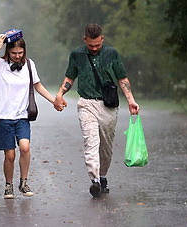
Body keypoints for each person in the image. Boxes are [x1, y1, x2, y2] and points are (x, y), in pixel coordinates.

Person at [53, 23, 139, 197]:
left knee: (106, 147)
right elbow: (70, 76)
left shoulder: (111, 54)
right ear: (84, 40)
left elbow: (122, 78)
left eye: (97, 45)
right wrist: (60, 93)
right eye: (90, 45)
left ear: (102, 39)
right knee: (91, 142)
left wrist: (131, 99)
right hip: (86, 103)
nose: (93, 48)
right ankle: (95, 180)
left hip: (108, 106)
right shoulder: (77, 55)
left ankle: (102, 176)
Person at [0, 32, 55, 199]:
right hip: (3, 117)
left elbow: (38, 86)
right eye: (14, 53)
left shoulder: (29, 65)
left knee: (25, 147)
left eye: (20, 53)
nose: (17, 56)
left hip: (22, 116)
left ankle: (24, 182)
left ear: (24, 52)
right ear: (8, 52)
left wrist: (54, 101)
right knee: (10, 155)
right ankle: (9, 185)